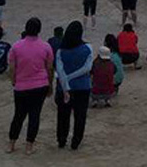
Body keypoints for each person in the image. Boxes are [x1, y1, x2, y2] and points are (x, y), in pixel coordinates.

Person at [7, 17, 54, 156]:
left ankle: (11, 143)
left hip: (21, 85)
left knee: (18, 115)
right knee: (34, 115)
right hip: (40, 85)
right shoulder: (46, 46)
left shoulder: (16, 46)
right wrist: (50, 85)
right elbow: (49, 68)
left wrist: (14, 81)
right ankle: (29, 146)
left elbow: (12, 68)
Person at [55, 21, 93, 150]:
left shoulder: (60, 51)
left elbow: (60, 71)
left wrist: (66, 84)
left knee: (63, 115)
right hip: (82, 86)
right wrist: (71, 77)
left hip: (64, 87)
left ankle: (61, 139)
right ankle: (76, 141)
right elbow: (87, 68)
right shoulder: (88, 48)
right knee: (80, 115)